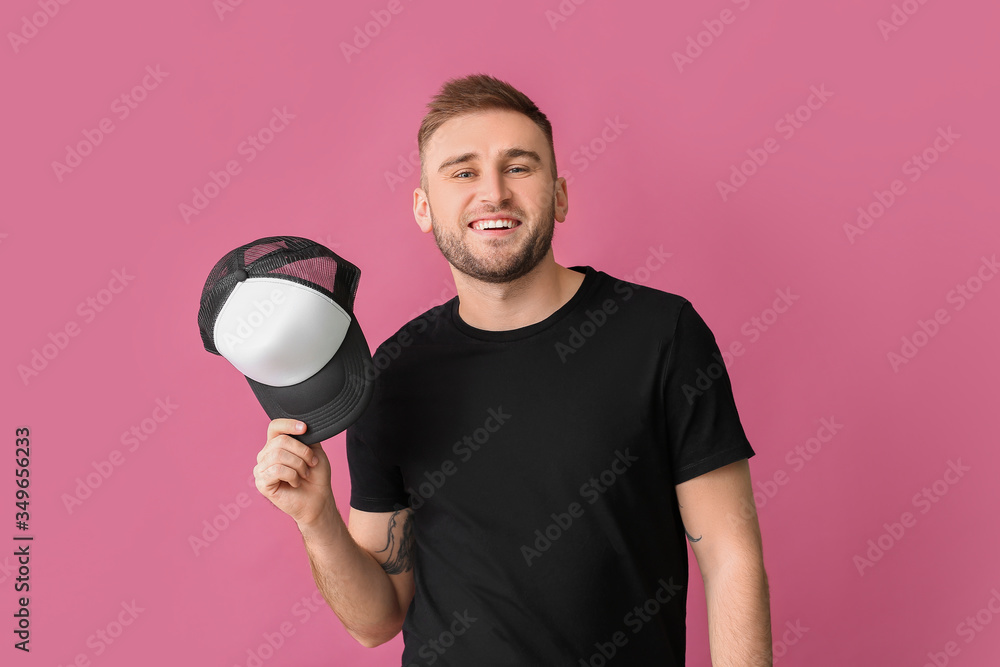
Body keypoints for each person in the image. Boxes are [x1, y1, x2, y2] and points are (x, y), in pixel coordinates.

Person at [253, 73, 772, 666]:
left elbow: (730, 557)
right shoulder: (390, 374)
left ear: (559, 195)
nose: (493, 193)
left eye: (520, 167)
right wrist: (316, 518)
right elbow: (378, 620)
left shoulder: (662, 333)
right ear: (424, 206)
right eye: (463, 171)